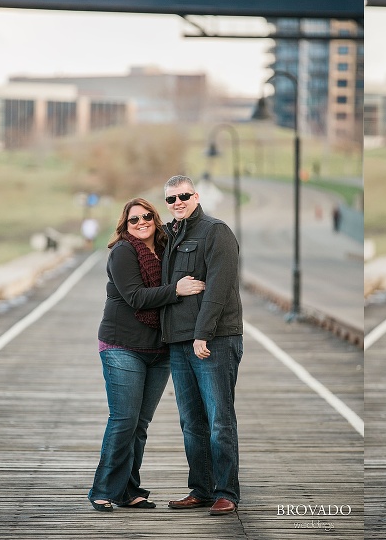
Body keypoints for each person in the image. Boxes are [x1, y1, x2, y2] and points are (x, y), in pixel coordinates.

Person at [89, 198, 206, 512]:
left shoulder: (167, 250)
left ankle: (127, 491)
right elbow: (136, 297)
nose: (140, 223)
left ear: (156, 219)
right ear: (125, 225)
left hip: (159, 349)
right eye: (133, 220)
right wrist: (176, 290)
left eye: (146, 217)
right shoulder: (123, 253)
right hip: (122, 347)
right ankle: (102, 489)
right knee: (123, 420)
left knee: (139, 424)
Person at [161, 175, 243, 516]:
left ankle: (226, 491)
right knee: (191, 421)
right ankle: (201, 489)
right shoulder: (172, 234)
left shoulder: (215, 231)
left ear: (196, 196)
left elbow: (219, 289)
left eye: (183, 196)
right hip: (179, 341)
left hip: (213, 340)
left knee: (219, 418)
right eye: (171, 199)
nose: (177, 202)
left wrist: (202, 335)